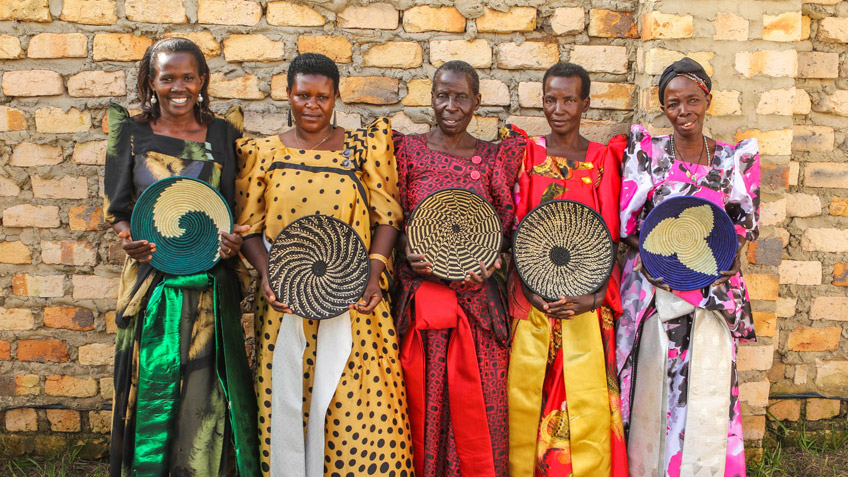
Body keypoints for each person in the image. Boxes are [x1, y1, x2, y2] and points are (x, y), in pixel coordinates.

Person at [235, 52, 414, 477]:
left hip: (355, 304)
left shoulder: (363, 147)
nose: (312, 105)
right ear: (288, 95)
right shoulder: (263, 153)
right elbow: (250, 228)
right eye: (303, 95)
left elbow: (386, 217)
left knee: (359, 408)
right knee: (290, 398)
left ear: (336, 97)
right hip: (287, 304)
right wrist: (267, 275)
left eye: (322, 96)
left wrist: (373, 276)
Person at [104, 37, 258, 476]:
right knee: (154, 385)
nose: (178, 86)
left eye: (187, 77)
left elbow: (235, 211)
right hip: (152, 288)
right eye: (166, 77)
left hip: (211, 285)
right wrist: (127, 238)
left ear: (202, 80)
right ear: (151, 81)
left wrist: (232, 243)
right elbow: (119, 210)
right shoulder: (131, 133)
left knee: (207, 394)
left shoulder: (225, 134)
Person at [615, 57, 760, 476]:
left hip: (711, 296)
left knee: (706, 392)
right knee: (656, 389)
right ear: (663, 108)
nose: (684, 112)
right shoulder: (648, 154)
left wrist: (727, 261)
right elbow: (627, 228)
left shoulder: (734, 161)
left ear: (707, 100)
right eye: (673, 103)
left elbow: (741, 233)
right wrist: (657, 262)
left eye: (692, 101)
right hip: (658, 294)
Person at [393, 60, 524, 477]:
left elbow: (505, 229)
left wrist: (494, 263)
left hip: (477, 310)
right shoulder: (406, 152)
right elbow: (390, 219)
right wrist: (404, 251)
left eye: (461, 97)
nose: (451, 105)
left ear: (476, 102)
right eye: (442, 95)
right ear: (431, 98)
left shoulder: (492, 159)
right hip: (423, 311)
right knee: (423, 410)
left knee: (479, 413)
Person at [503, 62, 628, 477]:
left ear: (585, 103)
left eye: (569, 99)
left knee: (581, 409)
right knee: (528, 402)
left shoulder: (601, 160)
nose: (559, 108)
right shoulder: (527, 155)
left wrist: (594, 299)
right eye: (551, 99)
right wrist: (530, 293)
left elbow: (611, 238)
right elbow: (515, 230)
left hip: (586, 308)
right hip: (533, 304)